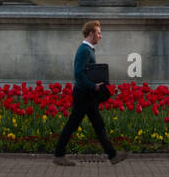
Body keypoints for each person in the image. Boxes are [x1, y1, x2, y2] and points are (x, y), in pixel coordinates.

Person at [52, 21, 129, 166]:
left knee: (97, 124)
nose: (100, 36)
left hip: (87, 94)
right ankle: (59, 154)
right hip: (83, 95)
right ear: (91, 34)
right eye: (98, 33)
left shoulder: (88, 49)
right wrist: (93, 86)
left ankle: (113, 155)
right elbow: (78, 74)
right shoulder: (84, 50)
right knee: (73, 125)